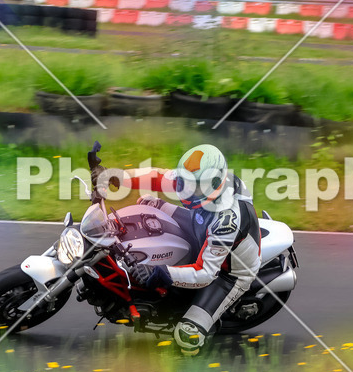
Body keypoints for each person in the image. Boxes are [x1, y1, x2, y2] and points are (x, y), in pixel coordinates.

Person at [103, 144, 261, 353]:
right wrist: (117, 177)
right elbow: (158, 177)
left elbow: (205, 273)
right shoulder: (199, 179)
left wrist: (160, 272)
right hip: (203, 226)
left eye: (194, 187)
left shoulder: (226, 219)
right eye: (184, 183)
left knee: (187, 335)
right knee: (150, 204)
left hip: (228, 272)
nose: (186, 191)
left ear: (213, 184)